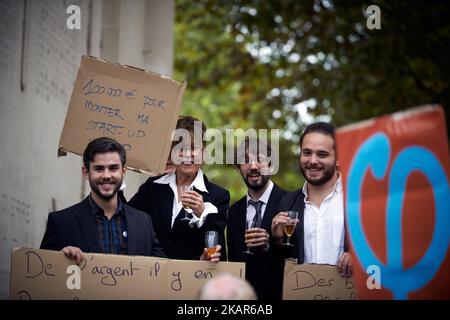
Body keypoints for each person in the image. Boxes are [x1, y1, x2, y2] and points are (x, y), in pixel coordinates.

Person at [40, 137, 220, 264]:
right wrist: (58, 260)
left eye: (113, 168)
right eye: (99, 169)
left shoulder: (143, 222)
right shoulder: (61, 222)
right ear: (86, 172)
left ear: (123, 172)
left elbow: (164, 270)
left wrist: (199, 261)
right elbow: (41, 278)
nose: (107, 175)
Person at [127, 116, 229, 260]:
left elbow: (217, 247)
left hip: (193, 278)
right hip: (153, 276)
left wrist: (202, 214)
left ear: (204, 153)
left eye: (194, 148)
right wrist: (118, 175)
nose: (187, 154)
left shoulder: (218, 195)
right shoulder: (153, 187)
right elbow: (126, 216)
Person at [271, 122, 353, 277]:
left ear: (338, 159)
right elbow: (279, 270)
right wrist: (276, 240)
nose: (313, 161)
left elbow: (384, 249)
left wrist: (359, 258)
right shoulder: (287, 203)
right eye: (307, 153)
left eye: (322, 154)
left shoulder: (357, 199)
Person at [227, 137, 287, 299]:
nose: (253, 166)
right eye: (246, 160)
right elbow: (233, 262)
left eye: (260, 159)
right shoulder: (233, 212)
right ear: (238, 168)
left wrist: (271, 244)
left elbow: (297, 257)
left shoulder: (290, 203)